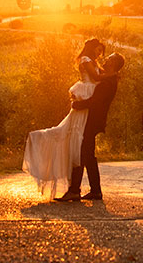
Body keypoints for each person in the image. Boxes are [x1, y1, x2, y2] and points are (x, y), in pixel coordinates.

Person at [21, 38, 112, 199]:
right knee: (78, 142)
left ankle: (79, 190)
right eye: (98, 50)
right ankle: (78, 189)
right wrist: (113, 75)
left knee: (83, 146)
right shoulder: (86, 60)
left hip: (88, 101)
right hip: (86, 95)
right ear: (91, 48)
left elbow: (99, 77)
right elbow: (96, 78)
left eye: (101, 51)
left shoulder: (94, 62)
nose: (100, 54)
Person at [55, 49, 125, 202]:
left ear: (114, 64)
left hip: (91, 120)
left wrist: (76, 104)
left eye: (109, 59)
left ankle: (76, 190)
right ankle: (94, 191)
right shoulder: (107, 79)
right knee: (87, 155)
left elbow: (95, 103)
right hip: (92, 120)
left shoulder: (108, 82)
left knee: (81, 152)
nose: (105, 60)